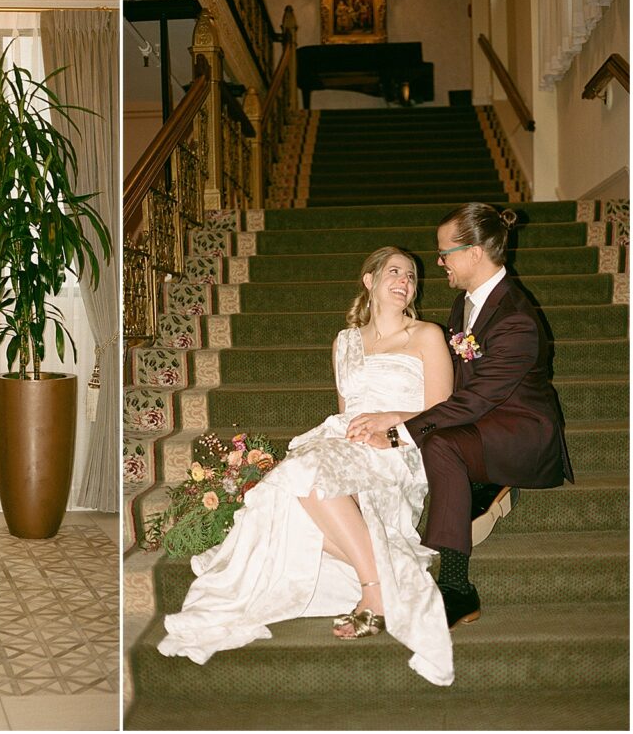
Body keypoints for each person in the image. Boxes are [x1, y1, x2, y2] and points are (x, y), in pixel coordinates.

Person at [158, 247, 457, 685]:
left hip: (400, 448)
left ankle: (372, 592)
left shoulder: (427, 335)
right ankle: (379, 574)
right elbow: (346, 412)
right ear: (369, 281)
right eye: (394, 272)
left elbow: (443, 412)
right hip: (344, 442)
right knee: (289, 485)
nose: (404, 281)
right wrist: (356, 434)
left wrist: (389, 424)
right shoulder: (345, 342)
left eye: (411, 276)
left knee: (298, 481)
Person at [353, 203, 574, 629]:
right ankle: (480, 483)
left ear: (474, 253)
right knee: (442, 437)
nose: (438, 262)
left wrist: (398, 433)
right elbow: (456, 384)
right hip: (483, 422)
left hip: (521, 433)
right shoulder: (465, 304)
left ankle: (456, 588)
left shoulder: (515, 318)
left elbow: (472, 401)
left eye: (445, 253)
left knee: (442, 442)